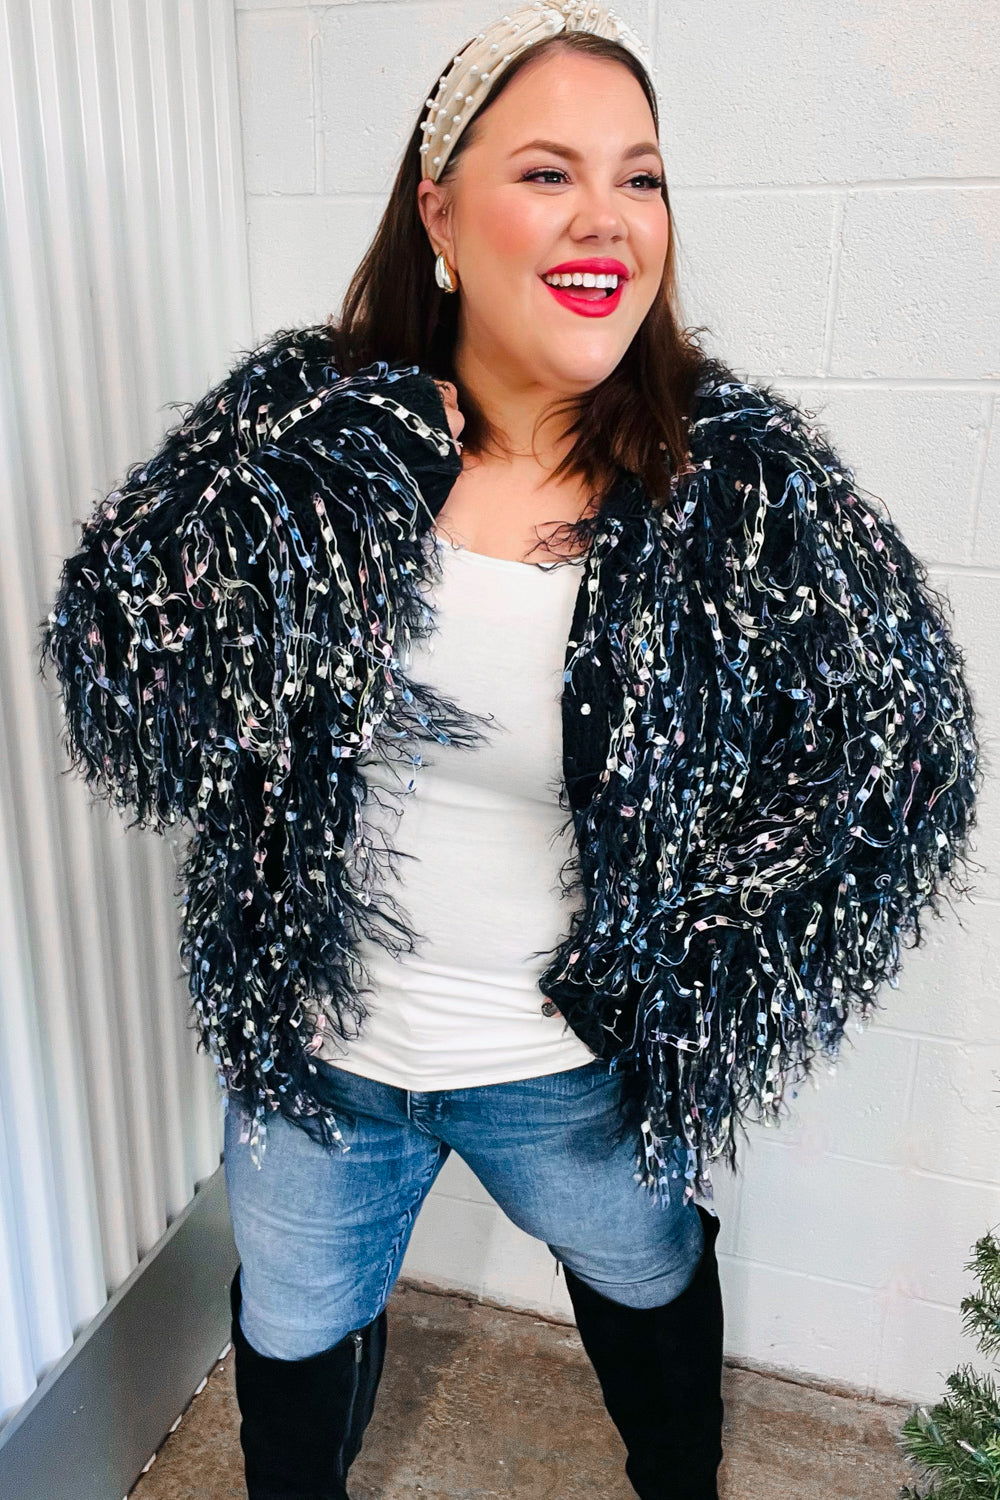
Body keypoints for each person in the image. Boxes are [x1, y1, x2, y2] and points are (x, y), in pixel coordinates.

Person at [40, 5, 980, 1498]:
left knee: (648, 1278)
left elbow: (905, 765)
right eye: (548, 173)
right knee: (289, 1336)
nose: (608, 216)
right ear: (440, 215)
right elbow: (120, 670)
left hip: (565, 1068)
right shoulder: (304, 417)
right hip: (318, 1055)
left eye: (640, 176)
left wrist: (685, 960)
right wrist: (354, 471)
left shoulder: (730, 478)